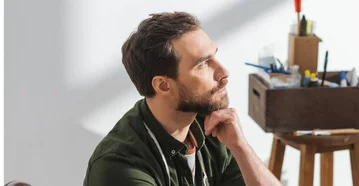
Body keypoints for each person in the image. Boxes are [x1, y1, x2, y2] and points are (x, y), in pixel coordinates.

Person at [84, 12, 282, 186]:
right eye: (203, 64)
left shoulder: (213, 129)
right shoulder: (120, 165)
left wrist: (240, 148)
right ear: (163, 85)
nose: (223, 72)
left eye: (214, 57)